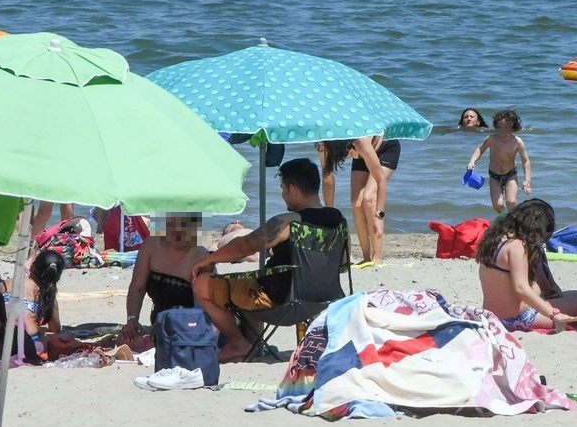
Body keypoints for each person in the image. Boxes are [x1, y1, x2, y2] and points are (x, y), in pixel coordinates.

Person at [192, 159, 345, 362]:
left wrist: (209, 259)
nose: (282, 195)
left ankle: (238, 343)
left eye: (283, 189)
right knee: (249, 283)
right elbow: (343, 264)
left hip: (278, 301)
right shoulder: (338, 221)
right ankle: (254, 346)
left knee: (201, 284)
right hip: (321, 299)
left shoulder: (289, 222)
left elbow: (245, 245)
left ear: (292, 188)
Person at [476, 199, 577, 332]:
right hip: (518, 318)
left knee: (574, 294)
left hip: (494, 316)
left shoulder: (496, 239)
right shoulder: (517, 246)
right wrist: (554, 314)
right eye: (546, 235)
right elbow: (521, 289)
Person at [121, 213, 206, 344]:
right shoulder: (150, 246)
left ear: (194, 228)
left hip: (188, 326)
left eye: (184, 226)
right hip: (158, 322)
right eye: (172, 224)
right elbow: (137, 287)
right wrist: (132, 319)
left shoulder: (200, 257)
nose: (177, 230)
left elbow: (202, 310)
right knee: (122, 340)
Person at [318, 134, 398, 265]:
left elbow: (381, 180)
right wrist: (329, 212)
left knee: (368, 198)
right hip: (361, 154)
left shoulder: (359, 142)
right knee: (356, 202)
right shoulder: (323, 146)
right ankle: (367, 257)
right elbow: (328, 179)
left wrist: (379, 215)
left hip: (385, 149)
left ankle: (377, 256)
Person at [467, 109, 531, 214]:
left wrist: (527, 181)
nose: (503, 131)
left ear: (514, 128)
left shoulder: (517, 142)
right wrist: (472, 161)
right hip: (494, 175)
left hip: (511, 174)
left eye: (507, 128)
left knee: (511, 201)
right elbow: (480, 149)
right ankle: (505, 218)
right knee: (498, 205)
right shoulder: (492, 139)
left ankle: (514, 220)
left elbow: (526, 161)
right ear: (496, 127)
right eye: (500, 128)